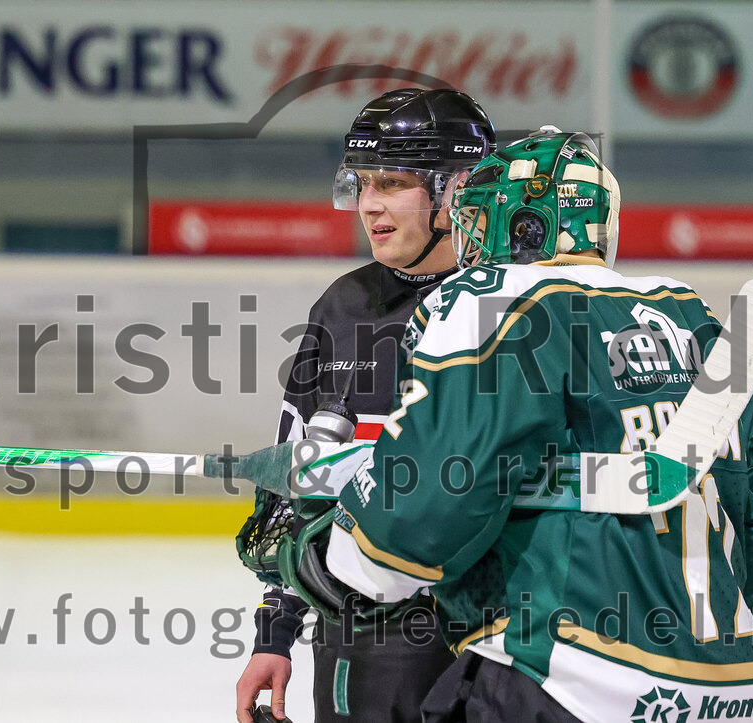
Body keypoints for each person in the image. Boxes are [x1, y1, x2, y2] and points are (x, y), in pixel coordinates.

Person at [300, 128, 753, 721]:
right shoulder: (688, 312)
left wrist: (330, 558)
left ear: (521, 224)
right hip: (724, 694)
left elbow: (421, 518)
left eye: (480, 220)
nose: (471, 241)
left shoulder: (495, 299)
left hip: (564, 677)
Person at [235, 87, 497, 723]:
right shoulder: (342, 308)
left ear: (455, 188)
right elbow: (301, 483)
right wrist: (276, 631)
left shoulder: (520, 305)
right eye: (361, 182)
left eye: (393, 183)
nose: (368, 204)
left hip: (510, 636)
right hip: (372, 632)